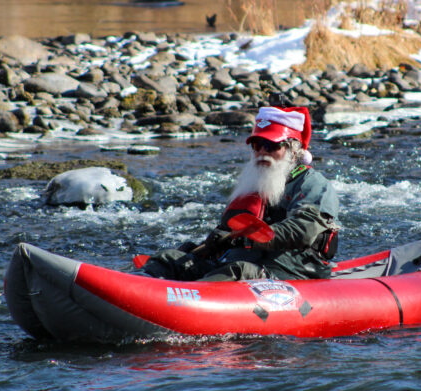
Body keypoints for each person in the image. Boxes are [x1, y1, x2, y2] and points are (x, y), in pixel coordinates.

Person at [142, 105, 339, 281]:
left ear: (293, 150)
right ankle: (133, 290)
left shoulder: (313, 184)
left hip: (291, 271)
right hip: (244, 262)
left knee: (237, 270)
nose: (262, 151)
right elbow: (230, 231)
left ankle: (185, 308)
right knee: (171, 259)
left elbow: (303, 231)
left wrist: (244, 237)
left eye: (271, 145)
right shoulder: (256, 182)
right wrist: (209, 246)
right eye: (257, 145)